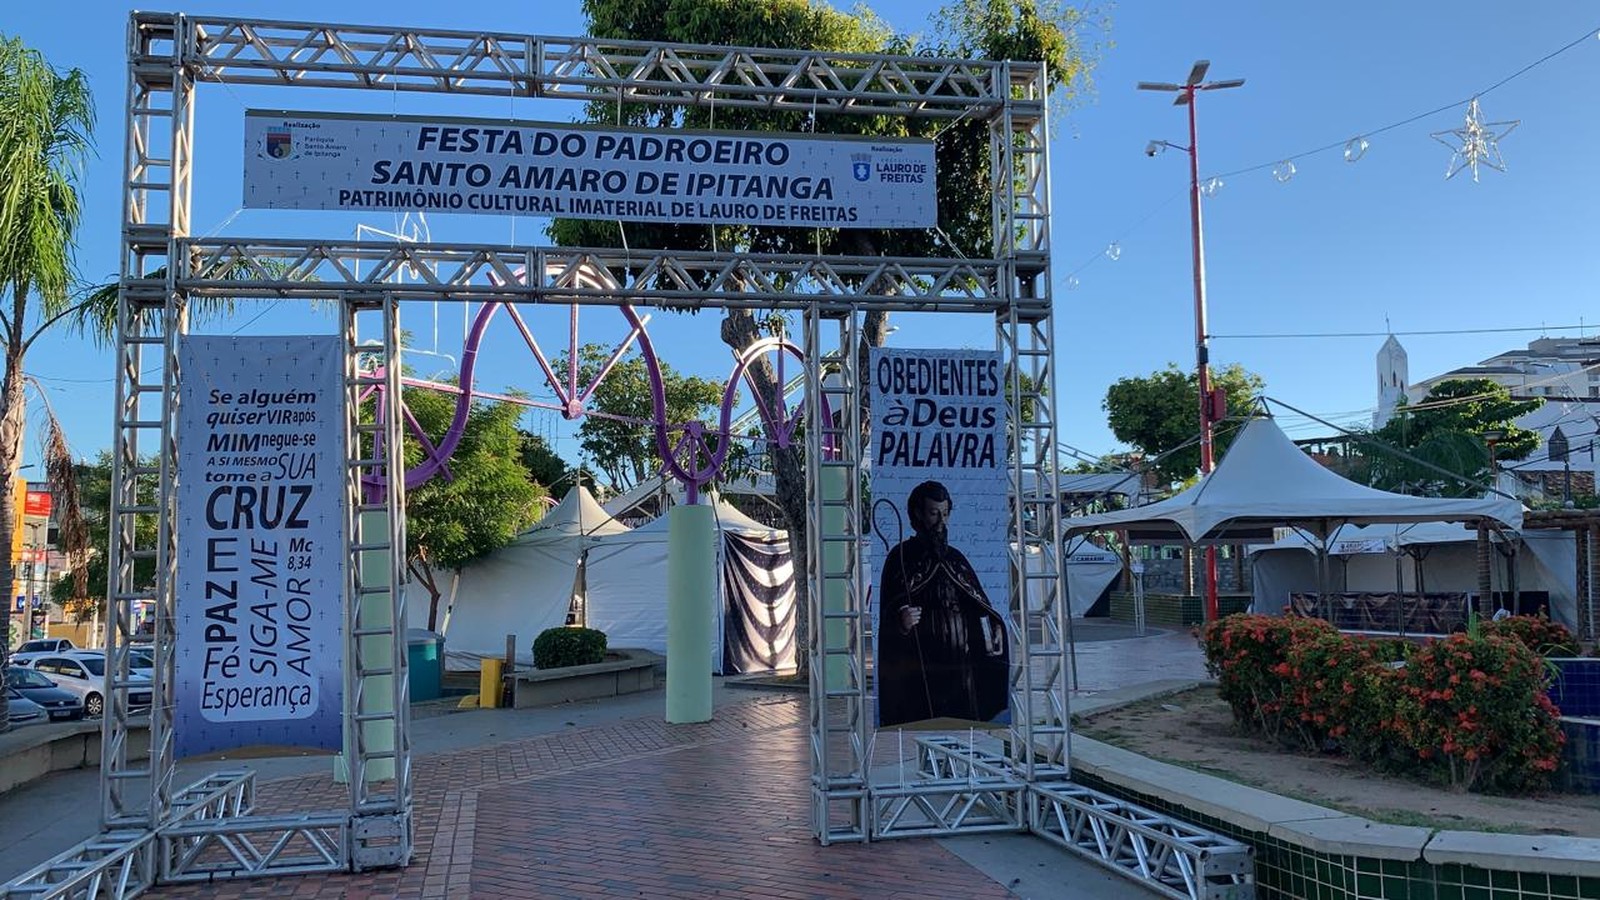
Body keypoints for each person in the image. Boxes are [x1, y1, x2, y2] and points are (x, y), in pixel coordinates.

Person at [876, 480, 1008, 728]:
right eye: (933, 513)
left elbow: (978, 604)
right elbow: (889, 609)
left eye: (945, 514)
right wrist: (901, 620)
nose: (940, 522)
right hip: (920, 667)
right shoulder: (900, 557)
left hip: (961, 664)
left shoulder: (956, 559)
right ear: (918, 514)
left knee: (964, 725)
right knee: (923, 723)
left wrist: (993, 629)